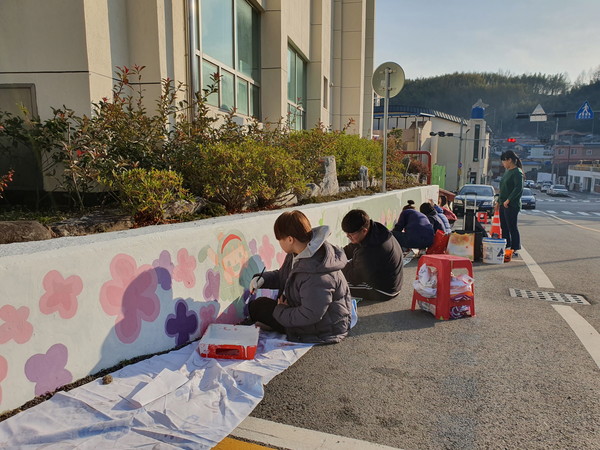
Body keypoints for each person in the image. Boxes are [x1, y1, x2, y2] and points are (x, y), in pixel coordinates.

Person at [247, 210, 352, 344]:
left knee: (259, 308)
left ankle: (279, 324)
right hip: (310, 313)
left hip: (324, 327)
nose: (279, 243)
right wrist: (263, 279)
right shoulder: (298, 253)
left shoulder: (316, 272)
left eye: (280, 239)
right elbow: (284, 276)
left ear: (290, 239)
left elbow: (310, 314)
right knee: (258, 306)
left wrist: (281, 311)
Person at [340, 209, 404, 302]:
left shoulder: (372, 250)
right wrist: (338, 255)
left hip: (383, 291)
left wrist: (337, 267)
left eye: (351, 234)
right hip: (390, 281)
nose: (348, 236)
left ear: (364, 230)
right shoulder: (375, 230)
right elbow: (352, 247)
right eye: (346, 234)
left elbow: (354, 277)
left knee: (336, 283)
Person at [498, 150, 524, 257]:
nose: (503, 164)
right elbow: (502, 188)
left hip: (511, 204)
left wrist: (509, 199)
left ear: (509, 160)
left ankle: (515, 248)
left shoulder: (517, 172)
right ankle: (506, 246)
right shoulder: (507, 172)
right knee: (504, 226)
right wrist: (498, 201)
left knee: (512, 226)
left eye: (504, 161)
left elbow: (518, 188)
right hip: (502, 203)